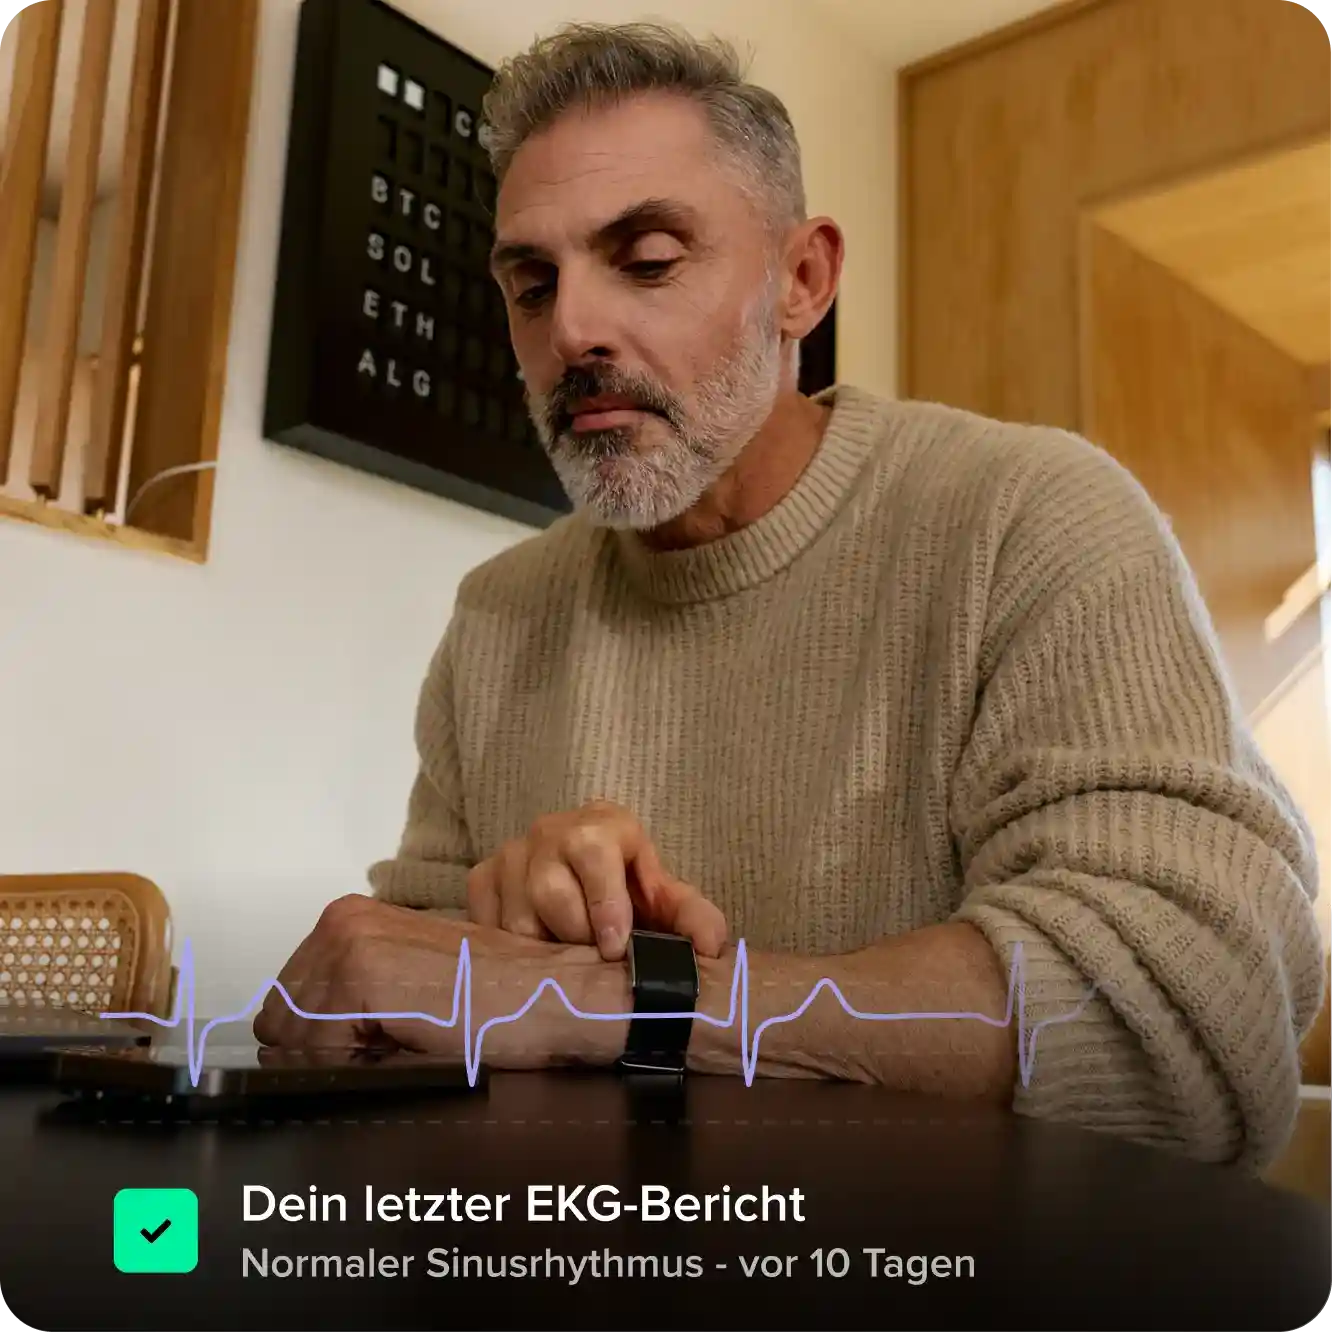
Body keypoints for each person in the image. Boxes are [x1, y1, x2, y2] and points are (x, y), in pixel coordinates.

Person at [255, 21, 1324, 1169]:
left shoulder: (1031, 517)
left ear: (802, 281)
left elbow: (1198, 1023)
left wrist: (626, 1002)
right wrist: (492, 934)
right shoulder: (497, 617)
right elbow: (414, 1008)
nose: (571, 330)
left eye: (648, 261)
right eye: (531, 284)